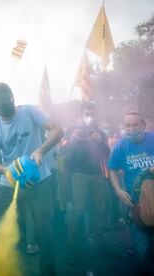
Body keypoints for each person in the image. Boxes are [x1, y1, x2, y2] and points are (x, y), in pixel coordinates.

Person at [0, 82, 63, 276]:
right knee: (2, 228)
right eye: (0, 106)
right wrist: (7, 171)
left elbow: (57, 130)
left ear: (13, 98)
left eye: (7, 103)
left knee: (44, 233)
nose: (4, 108)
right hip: (9, 184)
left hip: (39, 181)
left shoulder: (30, 112)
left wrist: (41, 150)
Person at [108, 112, 154, 274]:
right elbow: (112, 170)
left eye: (135, 124)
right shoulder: (120, 146)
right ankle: (148, 270)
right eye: (128, 125)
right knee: (144, 247)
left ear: (143, 125)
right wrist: (118, 190)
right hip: (136, 203)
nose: (132, 129)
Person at [61, 101, 110, 265]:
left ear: (95, 114)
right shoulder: (71, 130)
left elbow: (106, 152)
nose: (88, 116)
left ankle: (99, 241)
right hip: (78, 174)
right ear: (81, 114)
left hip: (97, 174)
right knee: (78, 210)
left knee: (100, 208)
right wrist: (74, 139)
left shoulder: (100, 132)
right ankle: (70, 246)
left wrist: (100, 142)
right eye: (86, 113)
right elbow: (63, 151)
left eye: (91, 113)